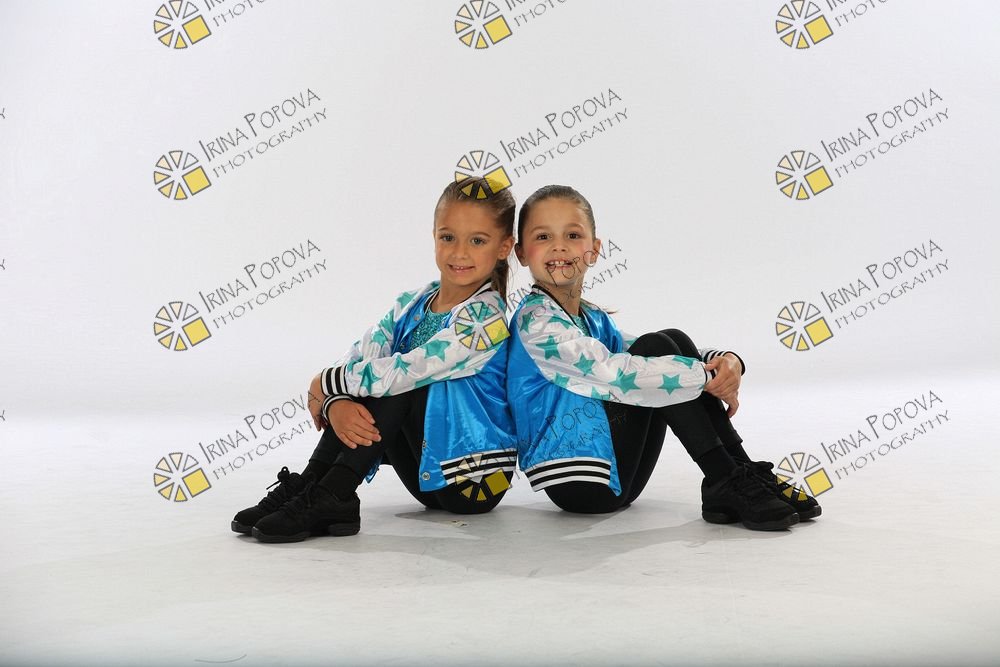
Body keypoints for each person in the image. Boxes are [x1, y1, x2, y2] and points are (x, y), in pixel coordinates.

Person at [506, 185, 820, 530]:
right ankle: (724, 476)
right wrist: (705, 376)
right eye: (543, 236)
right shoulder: (536, 322)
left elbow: (638, 349)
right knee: (657, 349)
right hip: (578, 483)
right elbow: (615, 374)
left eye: (573, 235)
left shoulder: (591, 317)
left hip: (616, 473)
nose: (559, 246)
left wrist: (724, 360)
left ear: (594, 250)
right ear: (521, 253)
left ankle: (739, 472)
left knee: (669, 340)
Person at [231, 178, 519, 542]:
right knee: (373, 374)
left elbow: (409, 370)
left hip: (475, 481)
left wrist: (325, 383)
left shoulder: (485, 320)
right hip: (424, 472)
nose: (459, 252)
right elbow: (361, 355)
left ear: (504, 247)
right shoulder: (411, 303)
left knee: (401, 379)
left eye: (477, 241)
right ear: (433, 235)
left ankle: (336, 491)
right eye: (448, 237)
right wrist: (336, 400)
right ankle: (313, 483)